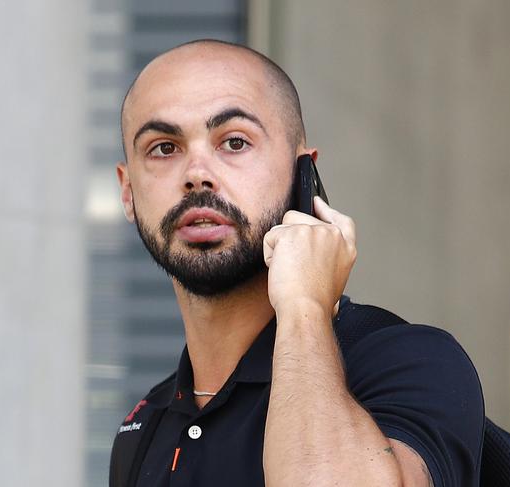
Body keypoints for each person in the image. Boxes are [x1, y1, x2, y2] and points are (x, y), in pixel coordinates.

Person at [110, 39, 484, 487]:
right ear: (128, 190)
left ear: (303, 174)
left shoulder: (408, 362)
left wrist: (304, 305)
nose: (196, 172)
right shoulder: (144, 426)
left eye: (233, 141)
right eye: (164, 148)